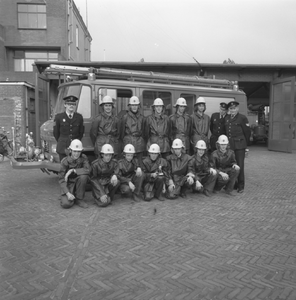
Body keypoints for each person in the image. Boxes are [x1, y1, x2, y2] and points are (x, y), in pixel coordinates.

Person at [225, 101, 251, 193]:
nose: (232, 110)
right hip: (230, 146)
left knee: (240, 166)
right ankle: (234, 184)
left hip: (240, 146)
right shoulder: (227, 118)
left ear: (237, 108)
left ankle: (241, 186)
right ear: (229, 109)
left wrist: (246, 146)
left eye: (234, 108)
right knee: (232, 166)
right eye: (231, 108)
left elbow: (247, 133)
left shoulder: (242, 118)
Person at [58, 139, 90, 209]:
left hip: (79, 183)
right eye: (74, 151)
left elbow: (88, 169)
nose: (76, 153)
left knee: (84, 176)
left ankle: (79, 199)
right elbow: (61, 179)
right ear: (70, 151)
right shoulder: (64, 161)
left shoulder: (83, 158)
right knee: (66, 204)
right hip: (68, 185)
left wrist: (73, 170)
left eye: (78, 151)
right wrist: (67, 193)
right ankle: (68, 195)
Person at [53, 95, 84, 162]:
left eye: (73, 104)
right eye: (69, 104)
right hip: (63, 147)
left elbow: (81, 132)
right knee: (63, 166)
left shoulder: (79, 117)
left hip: (75, 148)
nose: (71, 106)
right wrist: (63, 141)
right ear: (65, 105)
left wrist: (76, 142)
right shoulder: (58, 117)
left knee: (75, 166)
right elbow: (56, 133)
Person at [119, 96, 146, 164]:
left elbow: (145, 132)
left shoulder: (142, 118)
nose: (134, 107)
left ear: (138, 106)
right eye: (132, 105)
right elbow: (121, 133)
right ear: (130, 106)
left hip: (139, 145)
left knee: (139, 165)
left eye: (136, 105)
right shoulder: (124, 117)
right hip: (128, 143)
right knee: (128, 164)